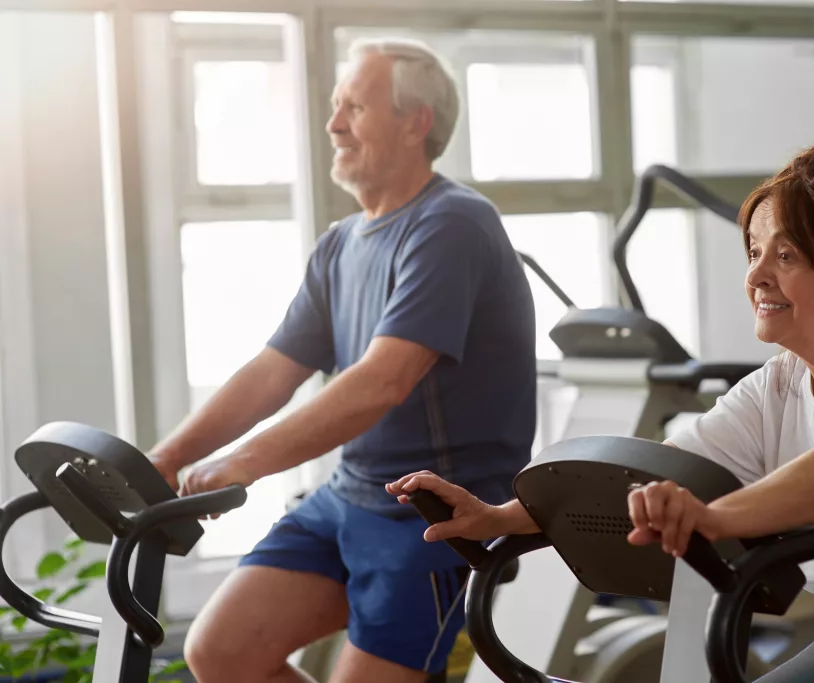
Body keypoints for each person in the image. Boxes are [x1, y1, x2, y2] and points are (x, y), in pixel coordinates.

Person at [387, 136, 814, 683]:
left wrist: (711, 518)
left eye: (787, 255)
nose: (757, 277)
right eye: (754, 252)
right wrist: (502, 517)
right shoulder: (781, 385)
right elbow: (650, 472)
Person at [149, 38, 538, 683]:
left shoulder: (450, 225)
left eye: (354, 107)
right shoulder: (341, 243)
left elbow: (380, 383)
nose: (333, 125)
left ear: (416, 123)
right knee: (220, 652)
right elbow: (272, 371)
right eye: (336, 108)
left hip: (434, 518)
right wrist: (166, 457)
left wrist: (239, 464)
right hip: (346, 500)